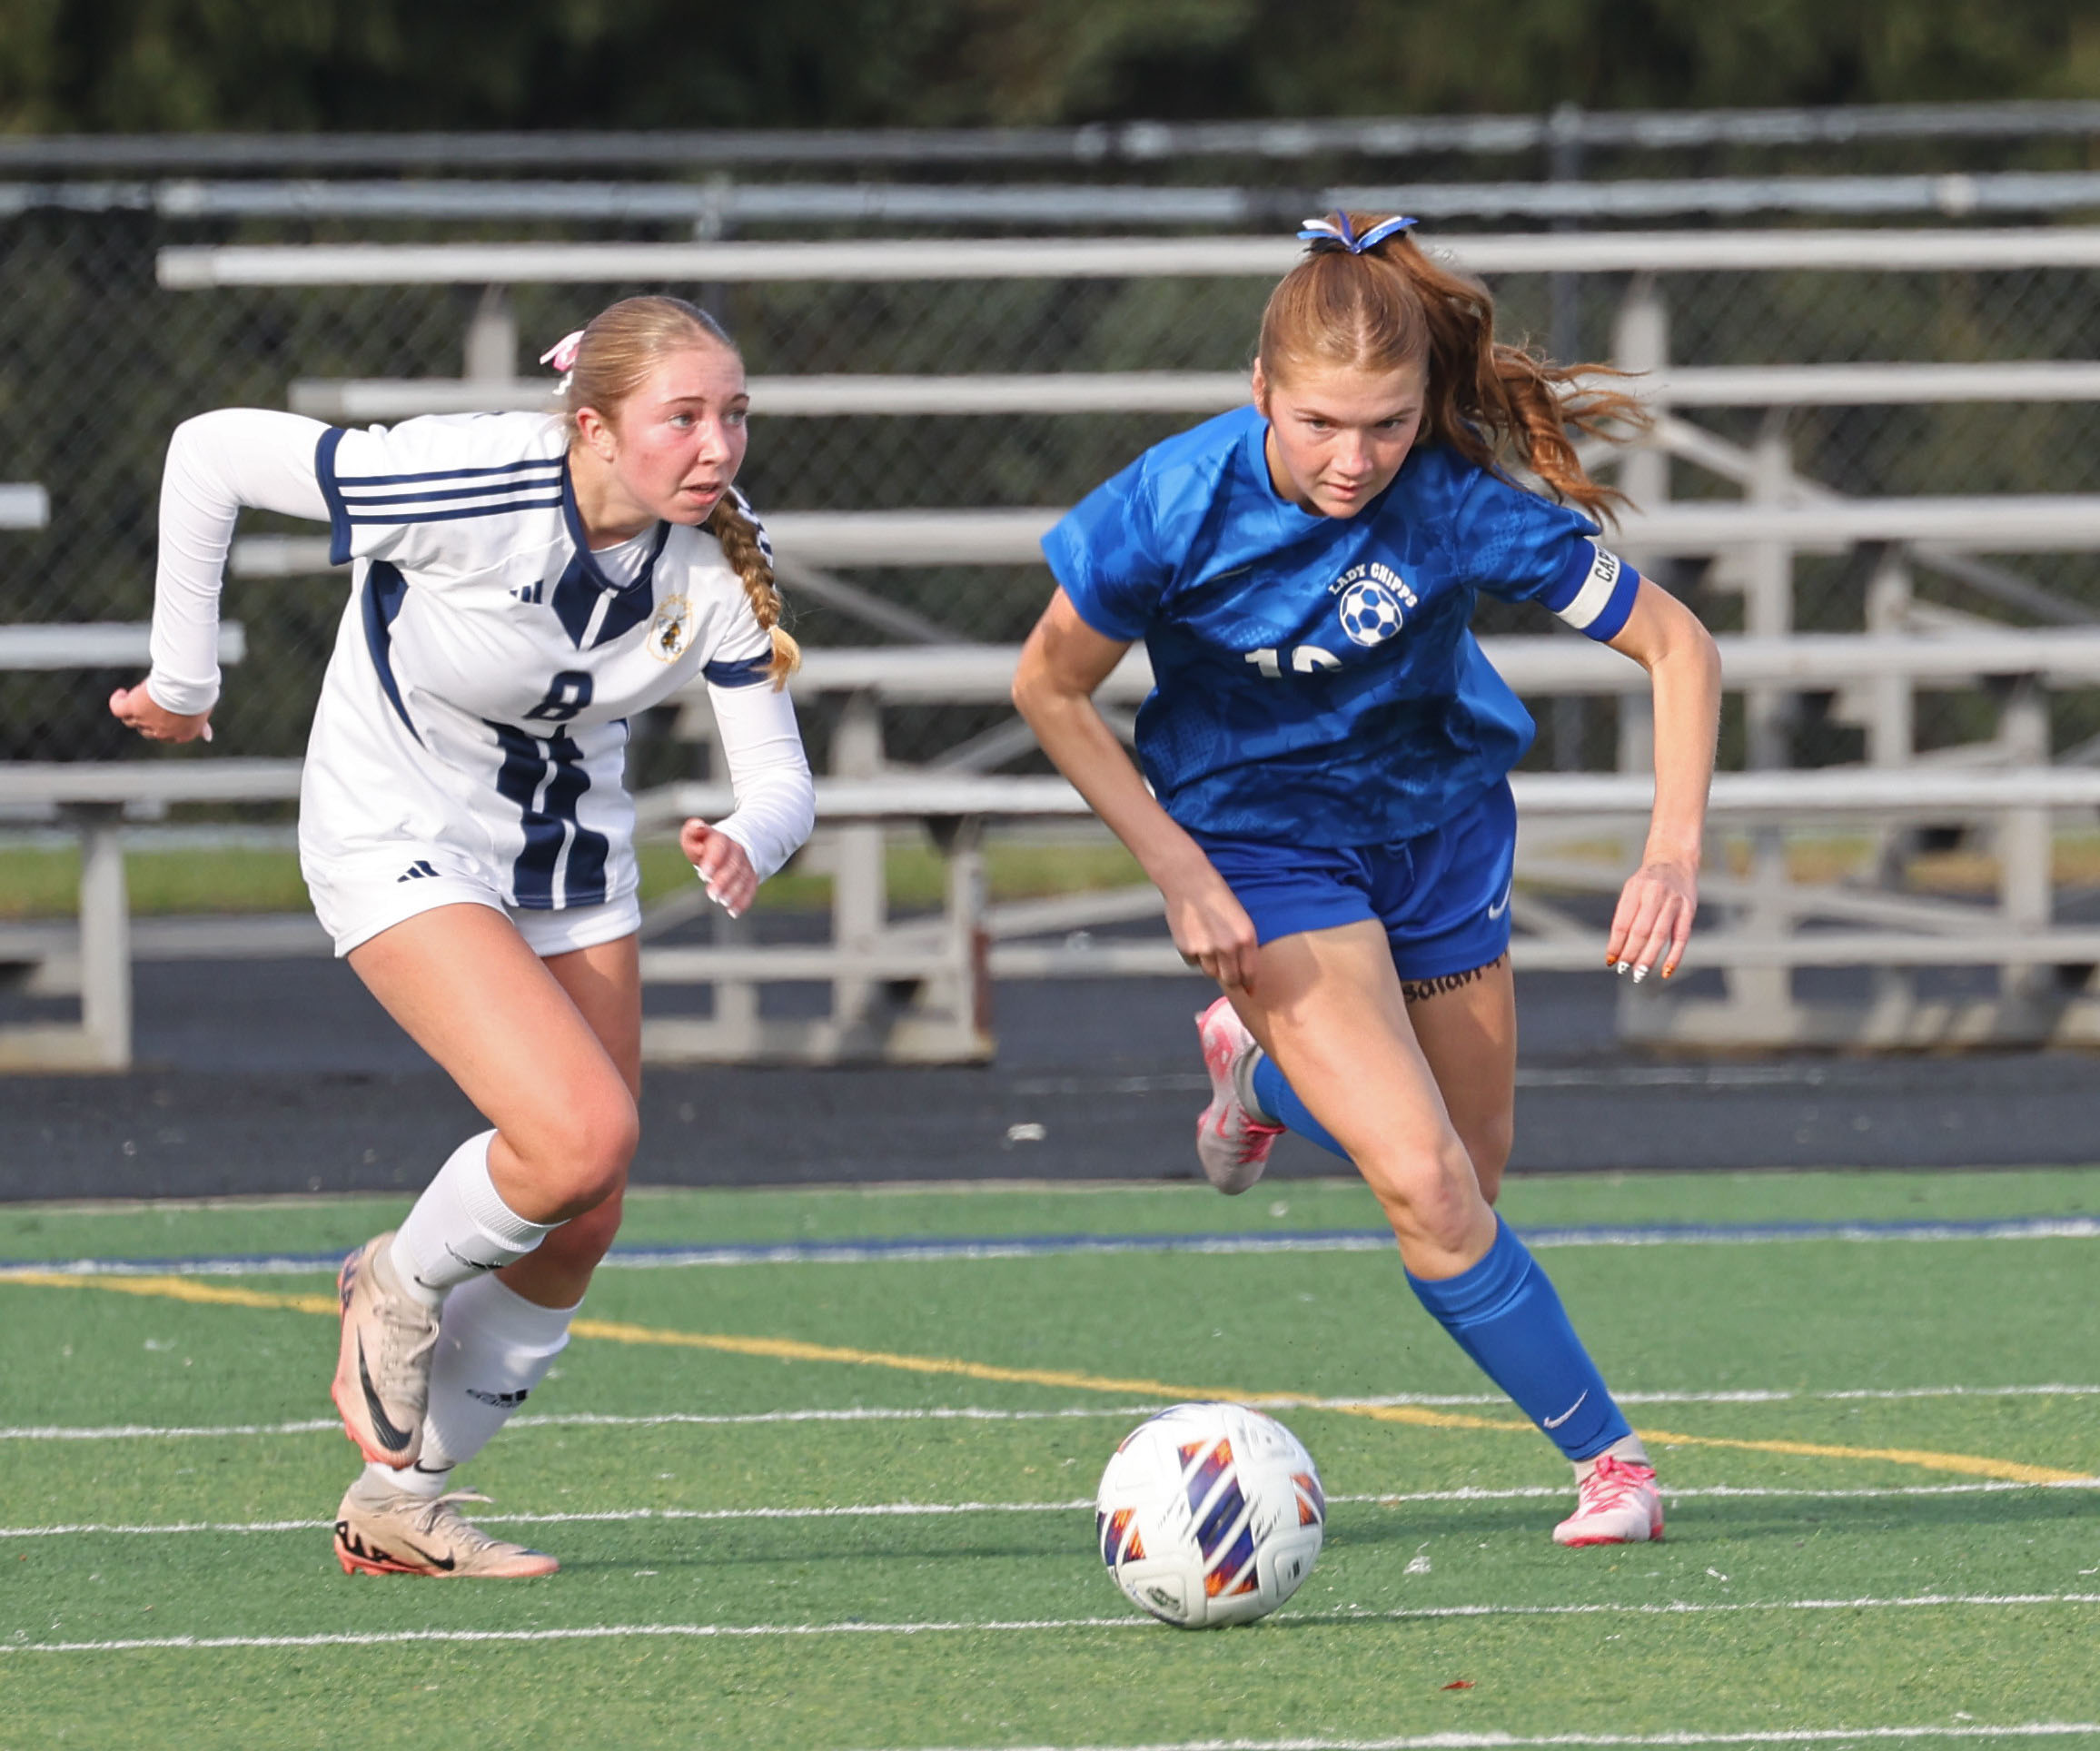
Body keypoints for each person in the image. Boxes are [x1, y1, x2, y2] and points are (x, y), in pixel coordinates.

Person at [1014, 213, 1720, 1547]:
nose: (1354, 461)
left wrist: (1672, 847)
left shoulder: (1451, 502)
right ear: (1260, 390)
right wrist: (1176, 865)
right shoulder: (1169, 505)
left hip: (1441, 833)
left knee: (1471, 1178)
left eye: (1388, 426)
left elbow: (1678, 646)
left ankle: (1259, 1078)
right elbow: (1047, 689)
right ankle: (1612, 1465)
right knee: (1424, 1183)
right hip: (1263, 847)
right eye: (1321, 425)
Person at [110, 295, 817, 1578]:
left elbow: (780, 780)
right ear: (592, 427)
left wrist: (748, 839)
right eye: (684, 417)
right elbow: (209, 451)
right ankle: (394, 1280)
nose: (717, 445)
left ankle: (399, 1503)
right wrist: (185, 679)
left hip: (570, 868)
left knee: (583, 1211)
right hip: (393, 830)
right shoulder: (470, 477)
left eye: (735, 414)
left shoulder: (717, 555)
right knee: (578, 1134)